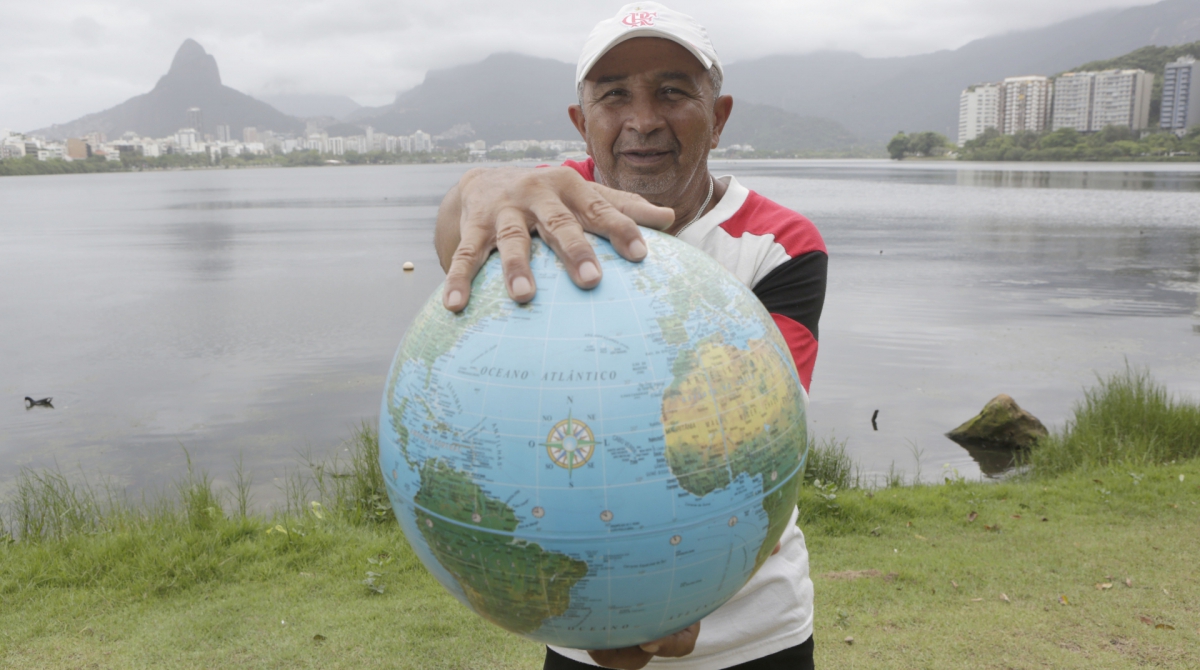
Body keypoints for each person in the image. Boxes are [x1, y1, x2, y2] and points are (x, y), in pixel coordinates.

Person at [433, 4, 826, 669]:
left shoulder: (778, 244)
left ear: (720, 116)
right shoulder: (543, 210)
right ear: (581, 124)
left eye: (672, 92)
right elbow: (457, 237)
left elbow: (752, 437)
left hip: (754, 633)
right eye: (614, 97)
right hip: (576, 603)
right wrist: (477, 185)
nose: (643, 121)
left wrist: (674, 601)